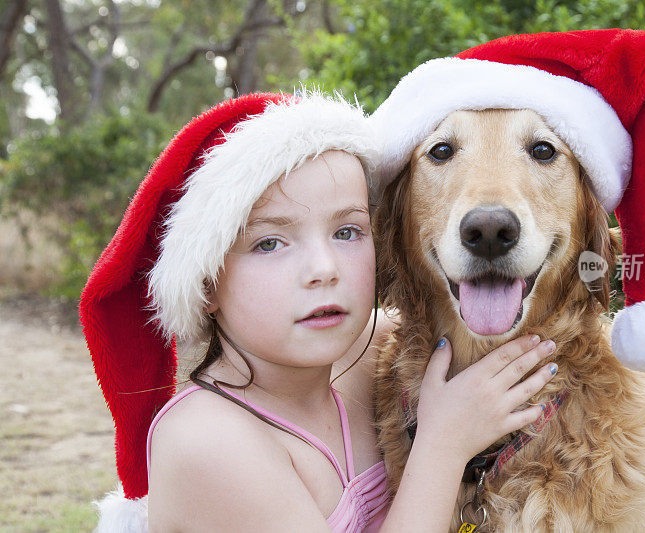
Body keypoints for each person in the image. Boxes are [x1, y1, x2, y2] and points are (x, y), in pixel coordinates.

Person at [80, 91, 558, 532]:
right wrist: (444, 444)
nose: (323, 269)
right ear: (206, 284)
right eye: (269, 243)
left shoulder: (369, 356)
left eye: (347, 232)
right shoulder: (208, 441)